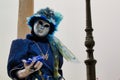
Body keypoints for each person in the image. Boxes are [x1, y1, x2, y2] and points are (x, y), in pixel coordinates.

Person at [7, 7, 78, 80]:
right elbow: (14, 72)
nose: (42, 27)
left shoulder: (55, 49)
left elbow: (57, 73)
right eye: (40, 23)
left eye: (46, 25)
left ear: (50, 30)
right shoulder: (20, 44)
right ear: (33, 23)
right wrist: (25, 72)